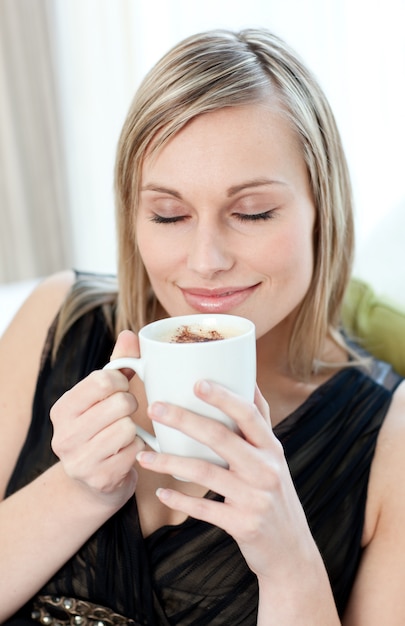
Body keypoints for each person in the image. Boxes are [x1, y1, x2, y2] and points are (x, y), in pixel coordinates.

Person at [1, 28, 404, 626]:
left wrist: (288, 558)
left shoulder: (389, 440)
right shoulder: (59, 318)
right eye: (169, 214)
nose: (206, 259)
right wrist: (80, 490)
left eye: (252, 213)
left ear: (323, 207)